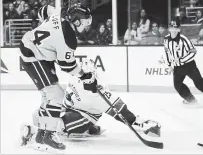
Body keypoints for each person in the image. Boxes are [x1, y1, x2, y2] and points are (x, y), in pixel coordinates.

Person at [20, 59, 161, 147]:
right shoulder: (75, 77)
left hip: (84, 116)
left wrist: (140, 123)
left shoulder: (100, 92)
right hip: (71, 108)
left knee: (58, 124)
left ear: (94, 74)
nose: (86, 78)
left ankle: (34, 133)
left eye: (90, 75)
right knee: (36, 115)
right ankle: (87, 130)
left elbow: (121, 111)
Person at [19, 3, 93, 150]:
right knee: (57, 95)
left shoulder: (58, 13)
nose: (86, 25)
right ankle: (49, 134)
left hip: (36, 51)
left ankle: (41, 132)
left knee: (49, 96)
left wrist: (43, 28)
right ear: (77, 20)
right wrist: (84, 75)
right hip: (33, 56)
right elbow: (67, 66)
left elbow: (44, 9)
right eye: (85, 21)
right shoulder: (69, 38)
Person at [162, 18, 203, 104]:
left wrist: (182, 59)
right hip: (177, 67)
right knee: (177, 85)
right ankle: (191, 100)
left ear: (178, 29)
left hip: (189, 66)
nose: (173, 29)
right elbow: (166, 52)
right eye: (171, 26)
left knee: (199, 83)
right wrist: (169, 65)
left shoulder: (183, 39)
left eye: (175, 27)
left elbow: (193, 51)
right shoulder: (166, 39)